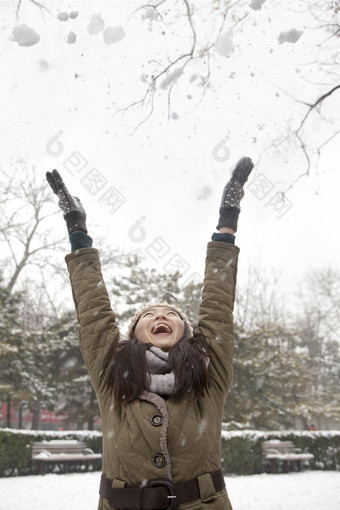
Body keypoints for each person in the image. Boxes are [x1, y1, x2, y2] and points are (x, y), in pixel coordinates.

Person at [46, 157, 254, 510]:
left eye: (171, 314)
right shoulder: (114, 374)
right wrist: (78, 234)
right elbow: (94, 313)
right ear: (135, 334)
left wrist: (227, 225)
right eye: (150, 315)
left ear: (186, 333)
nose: (162, 316)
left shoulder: (208, 374)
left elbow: (217, 309)